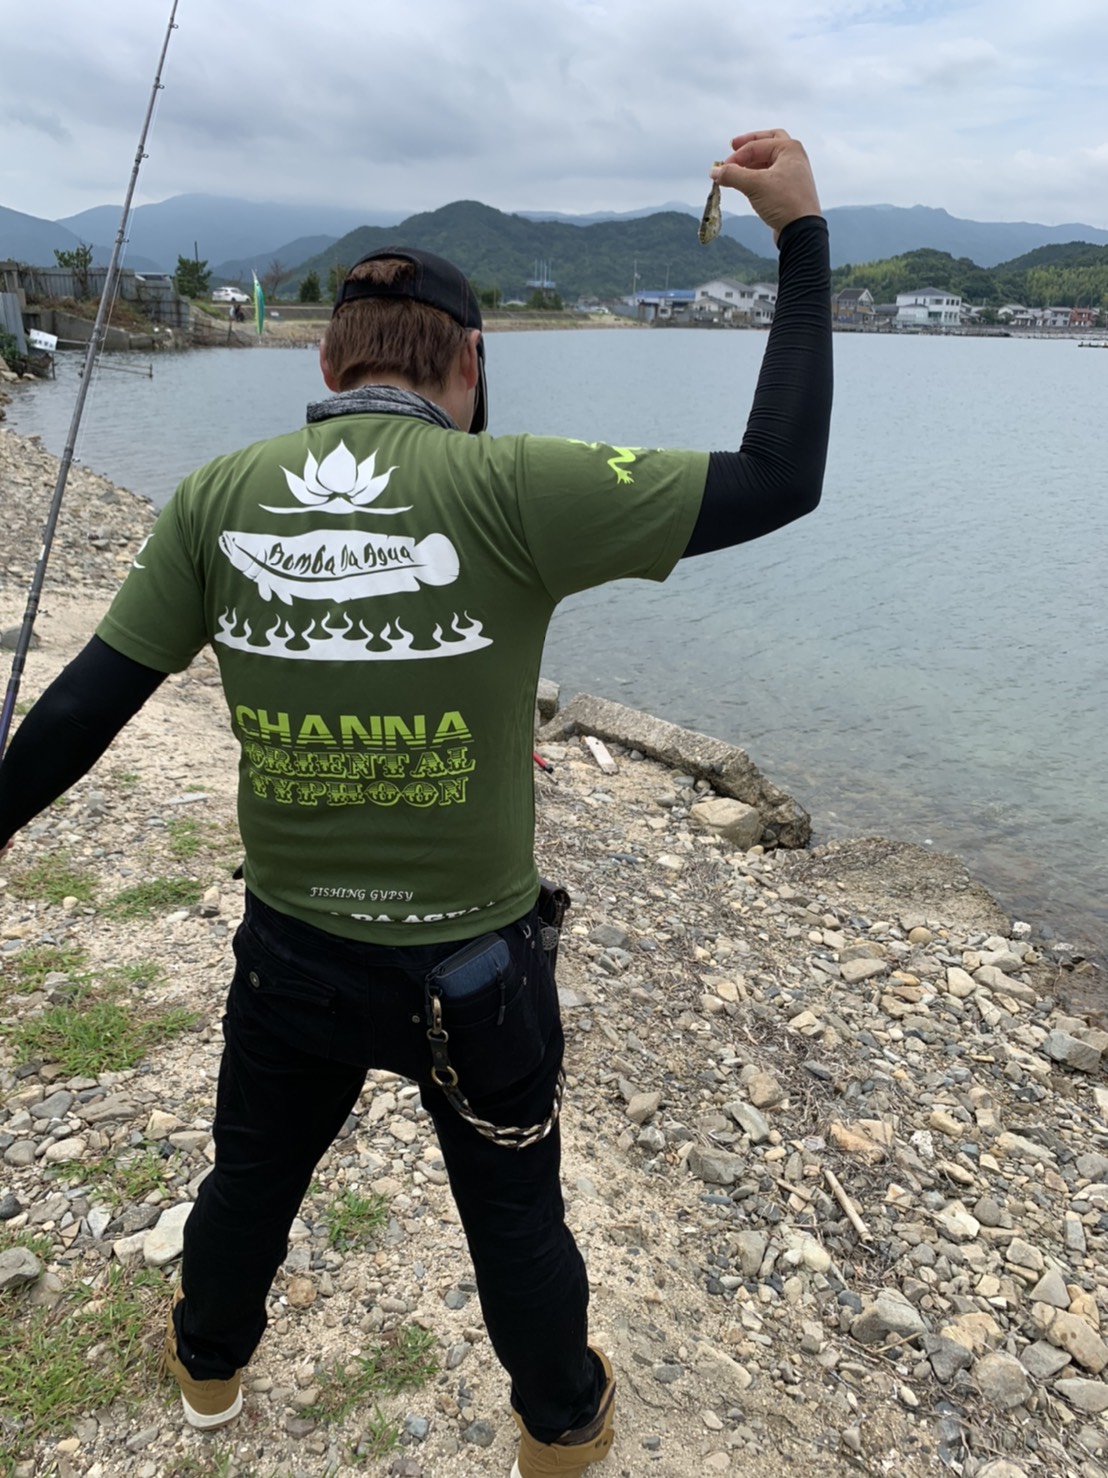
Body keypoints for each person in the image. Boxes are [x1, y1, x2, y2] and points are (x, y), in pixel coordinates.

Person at [0, 129, 831, 1477]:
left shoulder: (216, 499)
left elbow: (88, 702)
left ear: (330, 367)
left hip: (291, 957)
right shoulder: (517, 485)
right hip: (476, 974)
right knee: (516, 1219)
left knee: (250, 1180)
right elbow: (781, 476)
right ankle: (561, 1431)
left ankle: (208, 1366)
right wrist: (800, 238)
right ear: (470, 364)